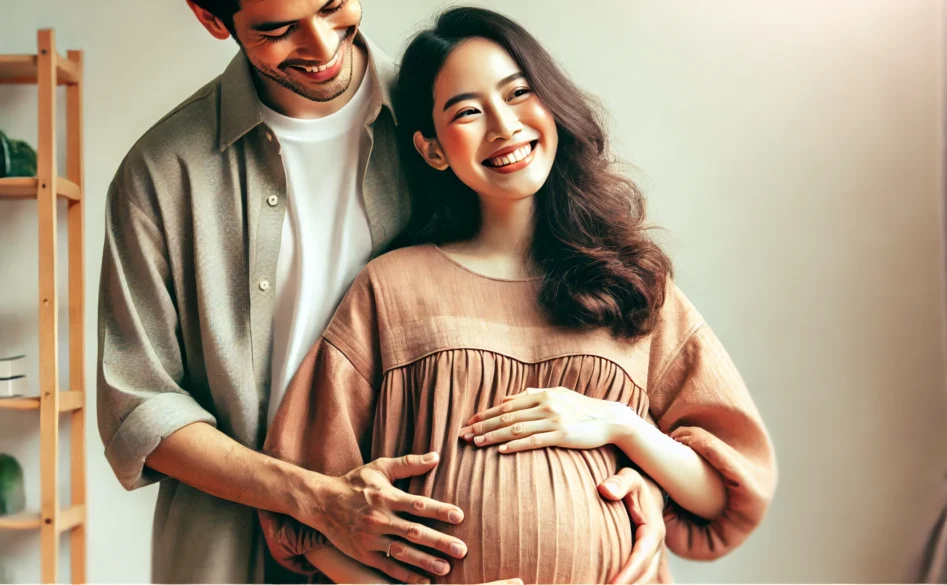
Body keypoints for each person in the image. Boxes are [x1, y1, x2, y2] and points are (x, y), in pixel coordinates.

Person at [96, 1, 668, 582]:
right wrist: (317, 500)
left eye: (332, 5)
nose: (320, 47)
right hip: (230, 551)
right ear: (212, 17)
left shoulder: (452, 108)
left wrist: (637, 467)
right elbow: (140, 403)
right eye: (277, 29)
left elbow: (564, 291)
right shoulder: (162, 171)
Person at [259, 6, 778, 584]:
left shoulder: (631, 284)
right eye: (468, 112)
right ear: (432, 149)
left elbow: (722, 495)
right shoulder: (389, 288)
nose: (503, 126)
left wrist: (621, 425)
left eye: (518, 93)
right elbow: (303, 517)